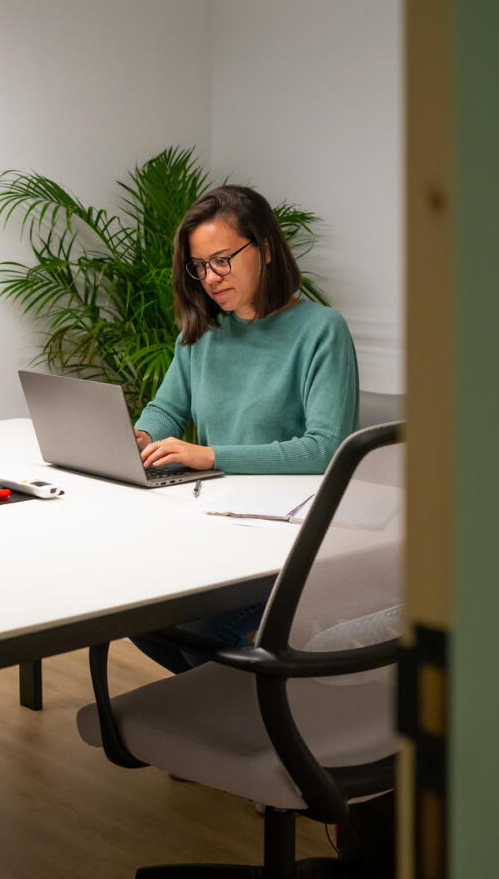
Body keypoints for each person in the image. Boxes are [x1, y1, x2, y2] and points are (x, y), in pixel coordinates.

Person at [130, 184, 359, 673]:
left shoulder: (322, 329)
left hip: (284, 548)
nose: (210, 278)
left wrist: (210, 456)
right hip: (215, 529)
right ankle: (227, 708)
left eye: (223, 260)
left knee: (194, 631)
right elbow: (166, 408)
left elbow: (324, 450)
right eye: (199, 266)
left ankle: (243, 713)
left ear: (267, 249)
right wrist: (143, 437)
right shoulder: (203, 332)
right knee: (134, 615)